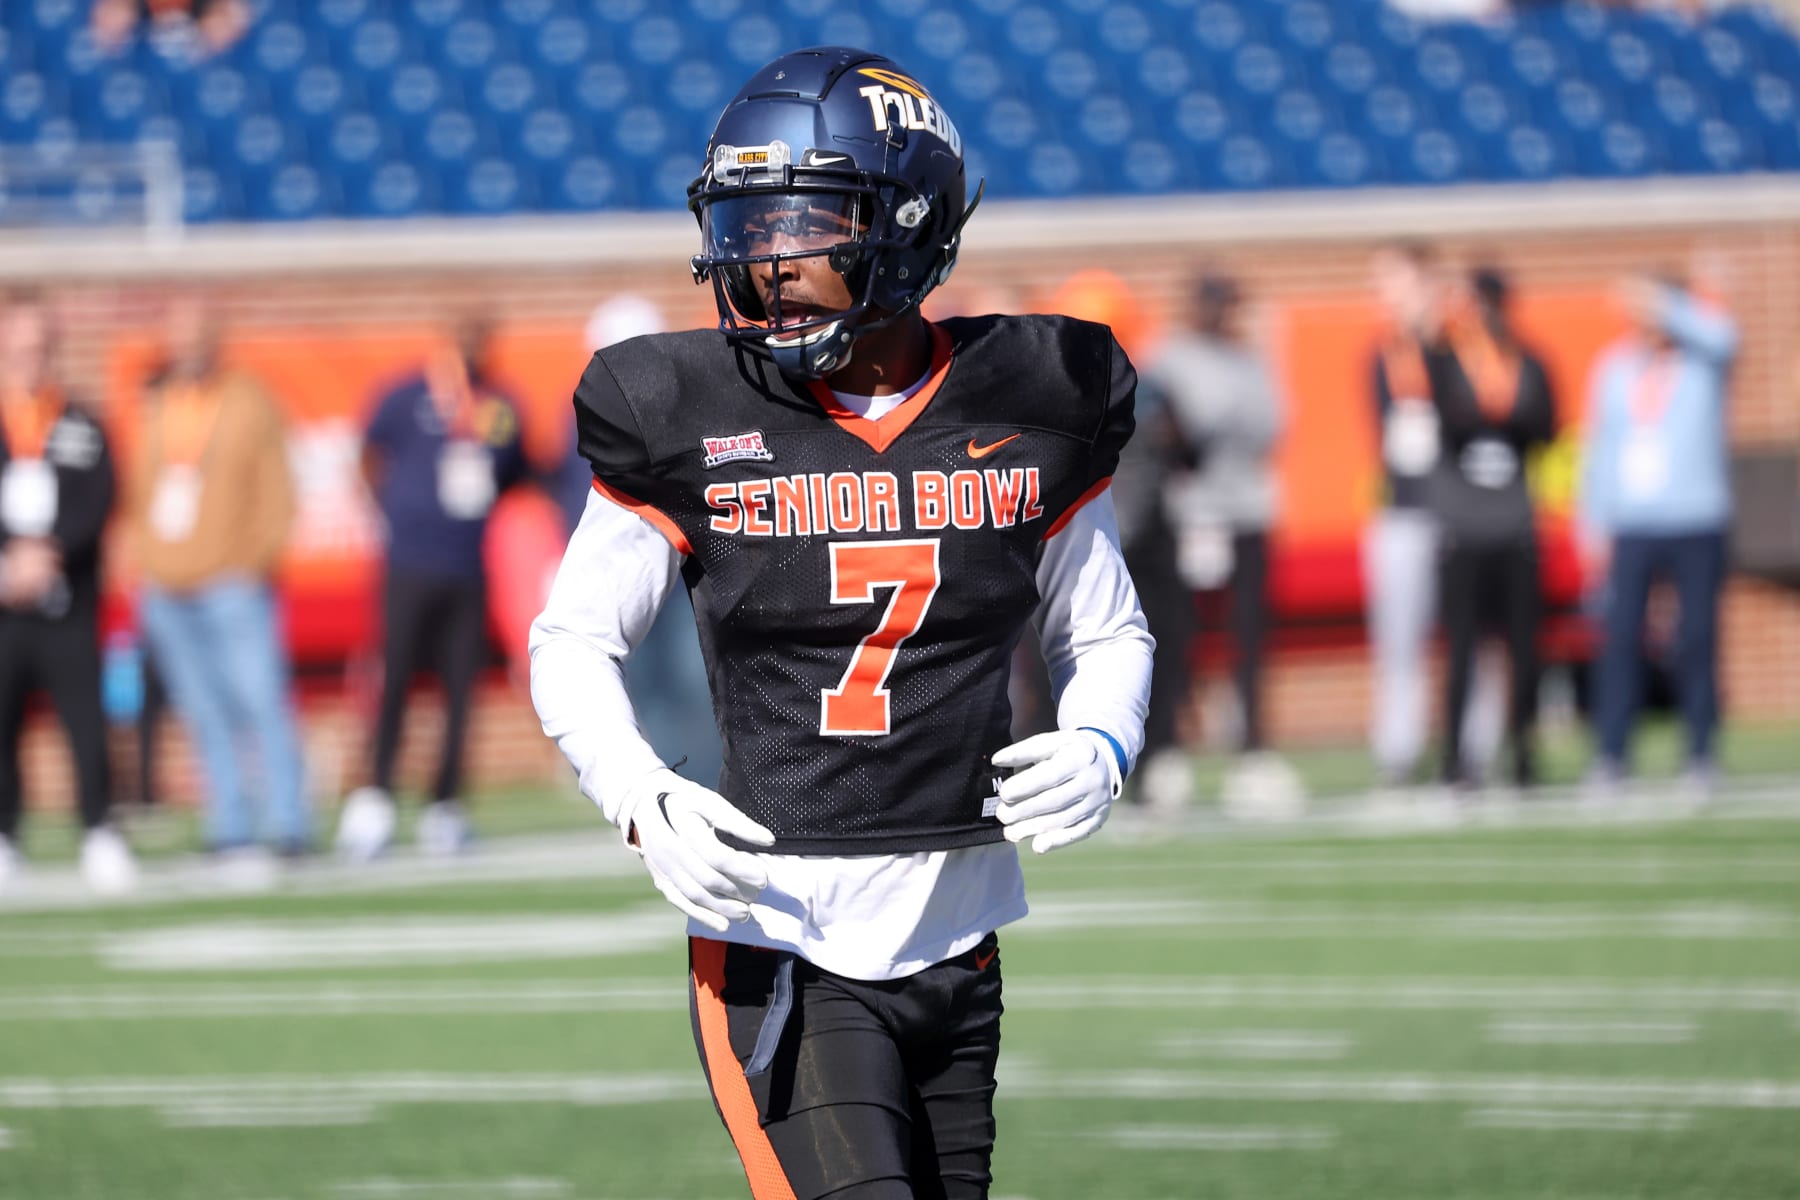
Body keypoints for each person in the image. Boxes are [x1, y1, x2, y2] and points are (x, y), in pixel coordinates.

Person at [531, 46, 1152, 1199]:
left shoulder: (1029, 400)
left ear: (907, 223)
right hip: (781, 936)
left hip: (961, 939)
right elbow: (571, 639)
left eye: (802, 222)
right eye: (747, 227)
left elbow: (1105, 630)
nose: (765, 261)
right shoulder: (690, 412)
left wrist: (1103, 737)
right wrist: (634, 787)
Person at [335, 317, 528, 860]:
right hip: (410, 565)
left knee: (460, 691)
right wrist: (392, 514)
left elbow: (514, 470)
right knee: (393, 682)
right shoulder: (407, 395)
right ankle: (373, 799)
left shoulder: (500, 404)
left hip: (466, 566)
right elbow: (367, 455)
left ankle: (446, 805)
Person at [127, 294, 309, 869]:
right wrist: (146, 561)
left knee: (260, 701)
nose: (188, 347)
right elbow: (145, 490)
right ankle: (228, 822)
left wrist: (255, 557)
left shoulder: (248, 400)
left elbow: (279, 488)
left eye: (198, 333)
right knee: (201, 710)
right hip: (168, 585)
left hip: (233, 581)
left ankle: (289, 820)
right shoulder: (159, 403)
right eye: (178, 335)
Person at [1146, 268, 1300, 816]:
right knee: (1178, 635)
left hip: (1246, 512)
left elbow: (1274, 424)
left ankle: (1252, 750)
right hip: (1191, 516)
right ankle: (1169, 749)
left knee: (1250, 635)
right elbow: (1166, 432)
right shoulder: (1167, 356)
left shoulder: (1250, 358)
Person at [1580, 270, 1739, 794]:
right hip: (1633, 522)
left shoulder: (1701, 360)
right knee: (1621, 638)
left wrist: (1668, 305)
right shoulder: (1616, 366)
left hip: (1696, 518)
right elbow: (1599, 447)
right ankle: (1611, 755)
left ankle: (1699, 754)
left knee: (1696, 638)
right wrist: (1593, 520)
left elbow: (1726, 337)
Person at [0, 290, 135, 893]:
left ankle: (100, 830)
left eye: (40, 343)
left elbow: (100, 499)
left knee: (84, 721)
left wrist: (50, 553)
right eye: (20, 343)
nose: (31, 355)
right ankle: (5, 837)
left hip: (68, 602)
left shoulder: (79, 422)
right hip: (4, 604)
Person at [1364, 241, 1504, 787]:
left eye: (1395, 283)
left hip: (1460, 511)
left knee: (1474, 635)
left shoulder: (1461, 347)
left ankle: (1478, 742)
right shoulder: (1382, 352)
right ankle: (1399, 749)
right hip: (1403, 509)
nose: (1386, 297)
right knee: (1399, 640)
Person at [1427, 266, 1556, 789]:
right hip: (1465, 528)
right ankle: (1456, 757)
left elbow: (1543, 426)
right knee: (1460, 650)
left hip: (1514, 525)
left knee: (1525, 649)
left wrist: (1497, 416)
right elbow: (1448, 422)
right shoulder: (1447, 362)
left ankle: (1523, 751)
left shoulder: (1528, 362)